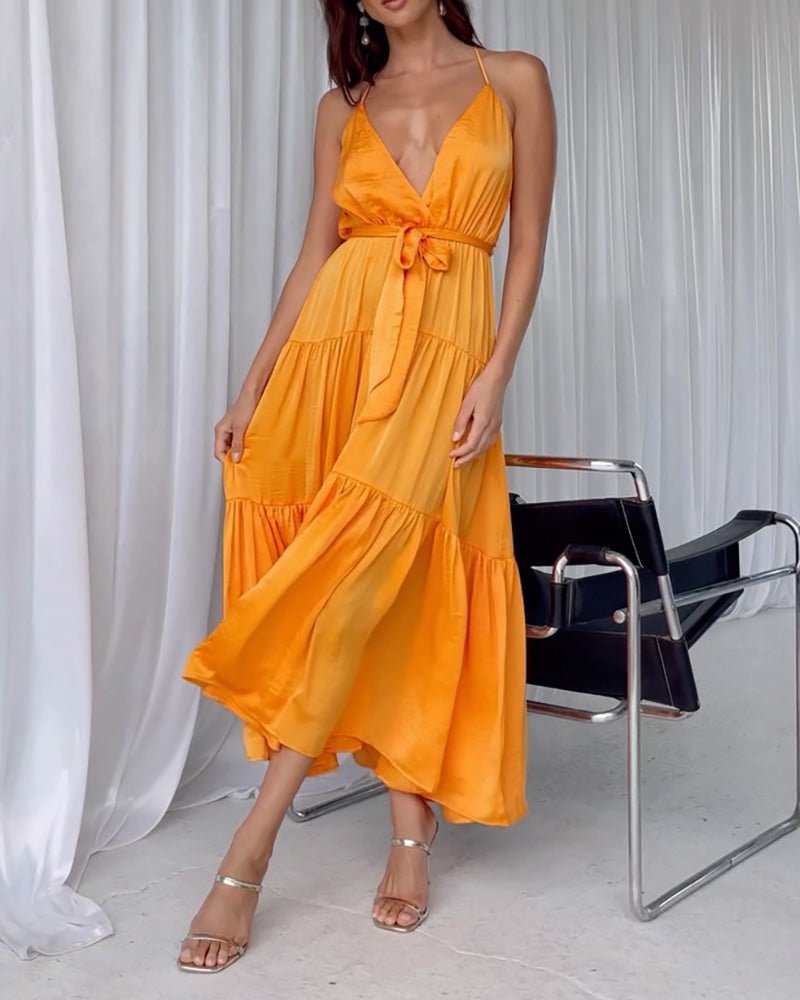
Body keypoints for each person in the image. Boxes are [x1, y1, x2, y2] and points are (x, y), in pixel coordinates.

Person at [178, 0, 556, 973]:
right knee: (376, 586)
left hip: (446, 353)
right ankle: (408, 829)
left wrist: (496, 371)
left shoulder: (514, 78)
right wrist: (253, 385)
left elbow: (526, 242)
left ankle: (250, 848)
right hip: (338, 351)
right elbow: (317, 250)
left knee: (361, 580)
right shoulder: (341, 105)